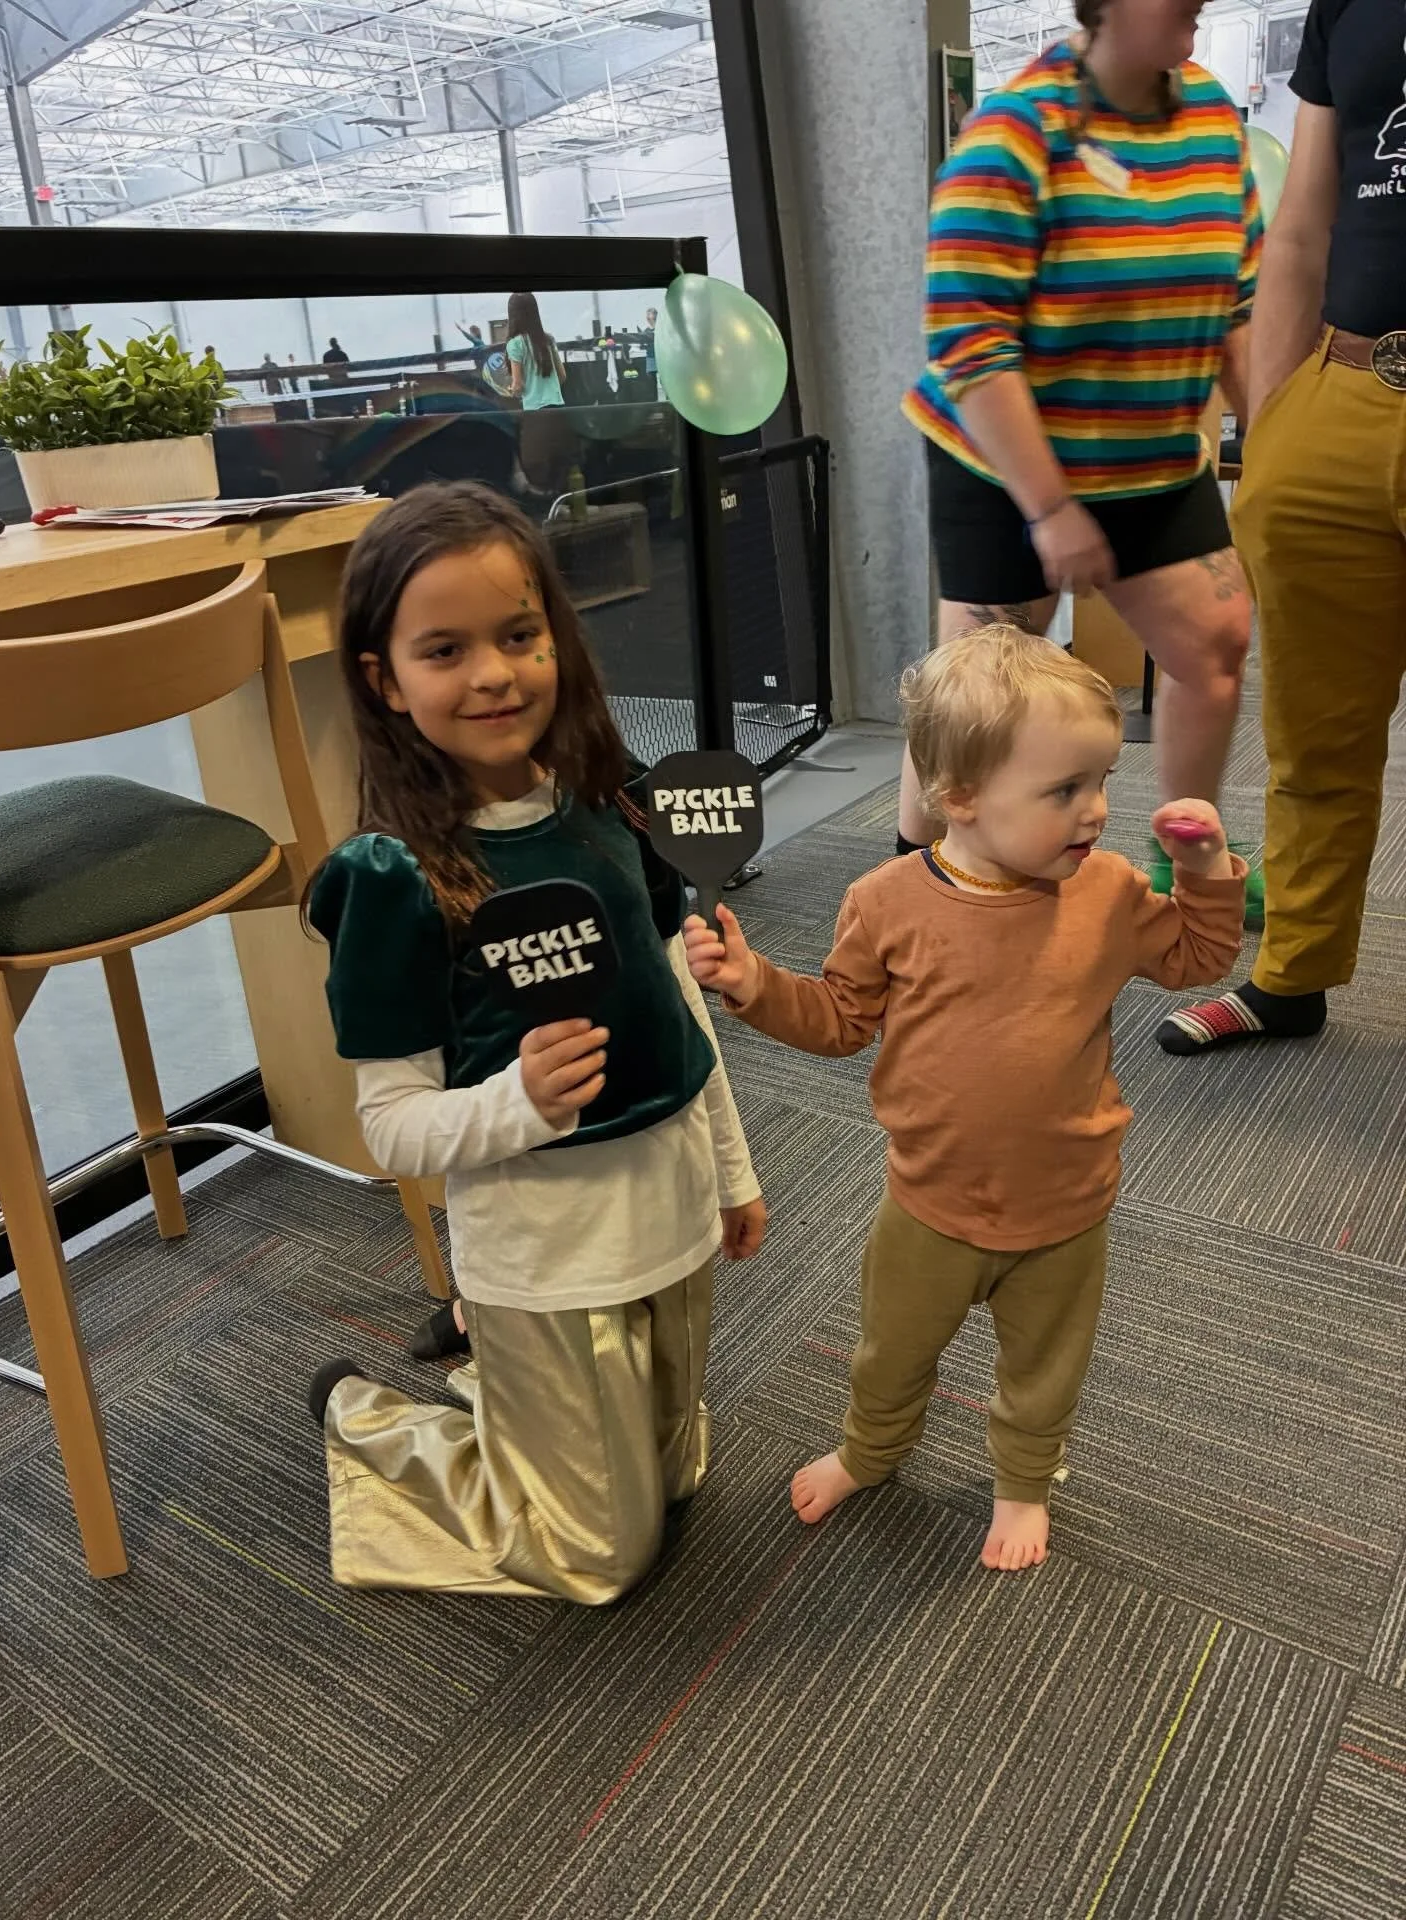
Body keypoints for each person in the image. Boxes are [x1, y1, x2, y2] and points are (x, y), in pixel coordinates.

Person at [686, 629, 1244, 1570]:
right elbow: (838, 1020)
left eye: (1102, 780)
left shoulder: (1104, 890)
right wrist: (750, 981)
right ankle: (871, 1451)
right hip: (929, 1204)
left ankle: (1024, 1483)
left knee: (1043, 1372)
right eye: (1064, 790)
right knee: (889, 1352)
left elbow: (1198, 959)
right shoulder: (886, 901)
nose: (1098, 811)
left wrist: (1203, 873)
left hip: (1067, 1206)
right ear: (961, 798)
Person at [304, 481, 766, 1602]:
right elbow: (390, 1124)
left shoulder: (611, 805)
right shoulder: (397, 877)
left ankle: (508, 1398)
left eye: (518, 635)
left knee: (676, 1477)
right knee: (596, 1555)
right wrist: (522, 1099)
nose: (494, 674)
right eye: (446, 650)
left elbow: (675, 1009)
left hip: (663, 1221)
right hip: (543, 1257)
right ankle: (366, 1419)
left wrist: (733, 1173)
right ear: (386, 681)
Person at [897, 0, 1264, 926]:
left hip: (1153, 459)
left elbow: (1240, 302)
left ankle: (1187, 847)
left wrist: (1272, 433)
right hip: (1009, 461)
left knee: (1214, 642)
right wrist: (1051, 509)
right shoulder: (1015, 136)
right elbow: (972, 349)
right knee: (976, 699)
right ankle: (915, 877)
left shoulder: (1214, 118)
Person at [1157, 0, 1406, 1056]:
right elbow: (1302, 223)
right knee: (1314, 737)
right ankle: (1291, 978)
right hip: (1341, 392)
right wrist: (1272, 433)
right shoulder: (1347, 2)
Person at [505, 292, 566, 410]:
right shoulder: (548, 339)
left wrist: (511, 390)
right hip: (558, 406)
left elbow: (518, 386)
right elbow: (562, 376)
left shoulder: (515, 344)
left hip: (534, 410)